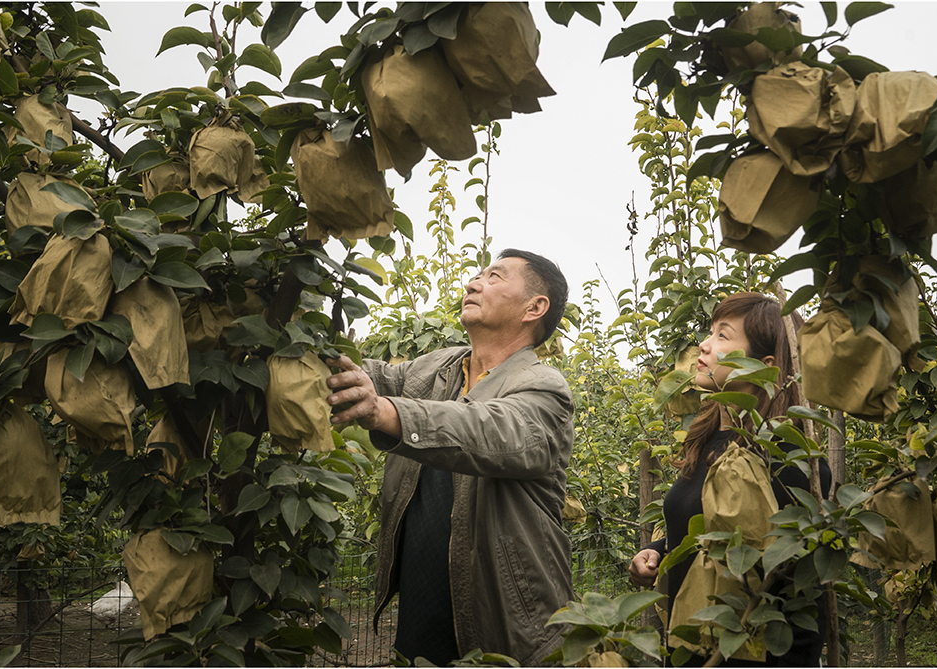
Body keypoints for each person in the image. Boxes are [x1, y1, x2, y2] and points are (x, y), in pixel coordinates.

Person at [326, 249, 574, 666]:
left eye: (495, 277)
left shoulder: (544, 388)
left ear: (535, 307)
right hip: (422, 608)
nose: (475, 282)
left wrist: (386, 412)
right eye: (477, 274)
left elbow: (488, 430)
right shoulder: (438, 367)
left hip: (508, 623)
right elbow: (372, 378)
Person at [629, 292, 831, 667]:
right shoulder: (707, 439)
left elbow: (800, 591)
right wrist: (660, 549)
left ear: (764, 365)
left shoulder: (789, 460)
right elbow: (714, 528)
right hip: (692, 650)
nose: (704, 346)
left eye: (723, 336)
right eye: (709, 333)